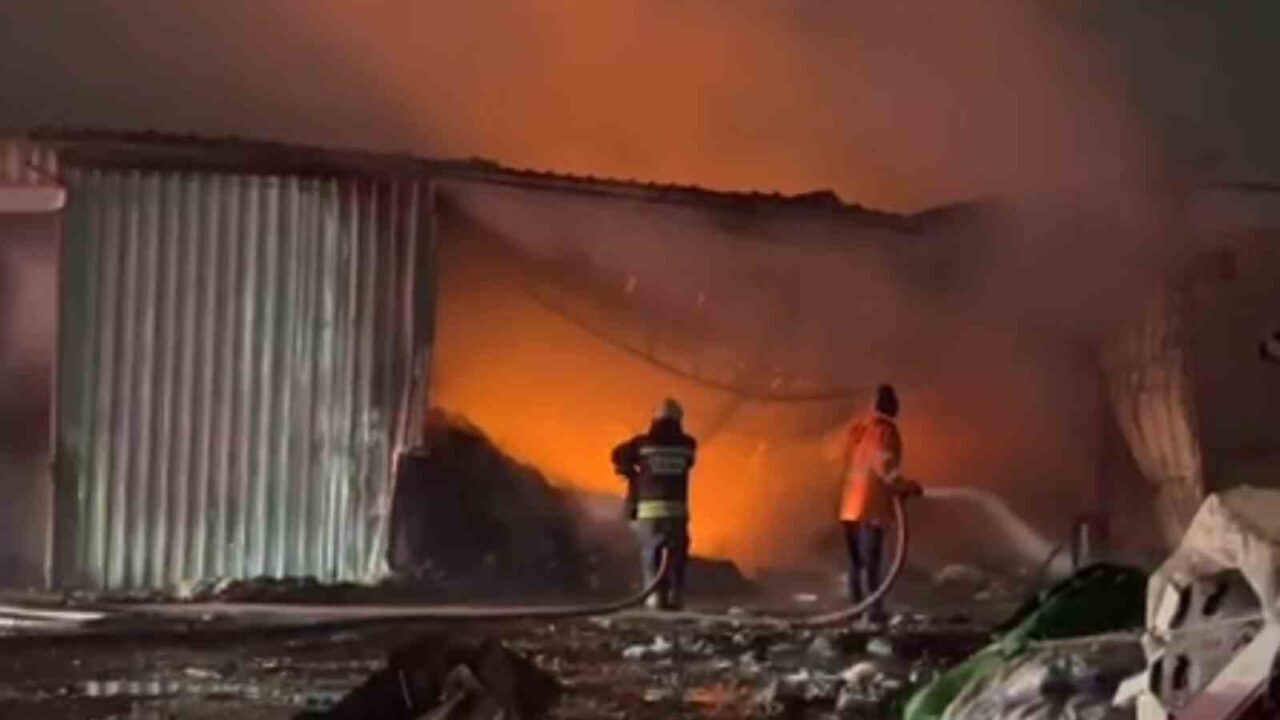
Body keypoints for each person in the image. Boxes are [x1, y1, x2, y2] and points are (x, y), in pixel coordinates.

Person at [840, 384, 917, 622]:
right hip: (870, 507)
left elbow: (849, 459)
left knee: (856, 564)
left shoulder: (860, 429)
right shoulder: (885, 431)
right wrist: (904, 486)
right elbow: (884, 465)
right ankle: (873, 612)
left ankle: (856, 611)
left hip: (850, 506)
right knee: (870, 564)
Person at [612, 398, 697, 610]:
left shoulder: (642, 444)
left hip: (649, 514)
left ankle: (654, 597)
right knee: (677, 556)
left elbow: (617, 455)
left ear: (655, 420)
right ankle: (675, 595)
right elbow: (689, 463)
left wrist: (630, 471)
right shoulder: (688, 445)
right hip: (677, 514)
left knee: (651, 555)